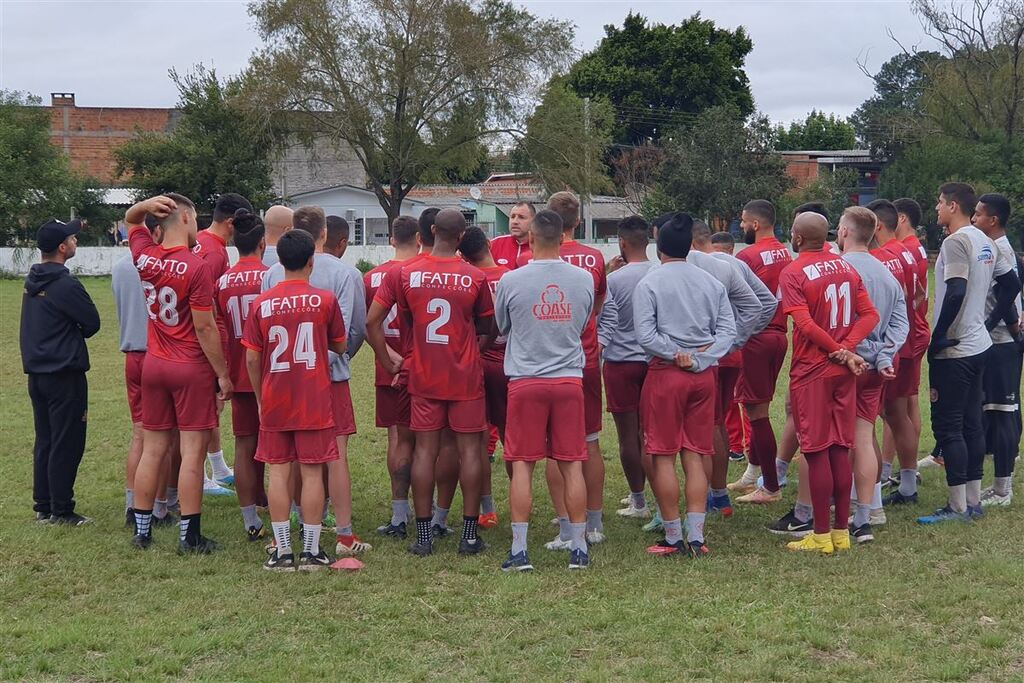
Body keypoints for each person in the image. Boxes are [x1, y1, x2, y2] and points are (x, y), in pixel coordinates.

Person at [368, 208, 496, 556]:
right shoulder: (475, 277)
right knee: (470, 450)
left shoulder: (405, 274)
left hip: (423, 375)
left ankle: (423, 537)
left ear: (431, 231)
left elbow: (372, 322)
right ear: (461, 236)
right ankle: (469, 535)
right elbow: (489, 328)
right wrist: (468, 350)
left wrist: (387, 358)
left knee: (425, 450)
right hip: (465, 377)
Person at [126, 194, 233, 553]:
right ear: (185, 219)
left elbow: (131, 221)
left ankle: (142, 531)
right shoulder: (196, 265)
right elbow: (205, 327)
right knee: (192, 453)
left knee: (153, 449)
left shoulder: (145, 256)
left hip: (154, 363)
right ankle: (190, 535)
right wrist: (222, 373)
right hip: (189, 367)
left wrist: (144, 205)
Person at [263, 206, 369, 555]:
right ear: (323, 234)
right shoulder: (346, 274)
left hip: (281, 378)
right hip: (329, 377)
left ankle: (289, 528)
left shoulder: (271, 274)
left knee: (286, 458)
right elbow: (352, 332)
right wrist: (335, 360)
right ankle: (343, 534)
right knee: (335, 454)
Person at [495, 209, 595, 571]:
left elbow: (502, 326)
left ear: (531, 238)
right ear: (563, 238)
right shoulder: (583, 279)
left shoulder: (511, 279)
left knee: (522, 464)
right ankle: (579, 547)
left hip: (525, 379)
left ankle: (520, 550)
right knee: (571, 464)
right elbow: (583, 322)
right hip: (568, 379)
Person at [244, 230, 349, 571]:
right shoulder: (325, 299)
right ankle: (312, 550)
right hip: (313, 398)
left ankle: (282, 550)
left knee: (278, 472)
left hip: (276, 397)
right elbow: (340, 345)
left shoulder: (262, 303)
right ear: (311, 261)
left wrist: (261, 398)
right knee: (313, 473)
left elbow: (251, 359)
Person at [635, 213, 737, 557]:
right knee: (696, 453)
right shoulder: (711, 282)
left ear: (658, 247)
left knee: (662, 455)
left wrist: (676, 354)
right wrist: (702, 359)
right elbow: (727, 332)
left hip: (666, 374)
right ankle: (697, 536)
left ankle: (673, 535)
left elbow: (645, 335)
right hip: (703, 376)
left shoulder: (650, 282)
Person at [918, 183, 1020, 524]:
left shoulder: (957, 240)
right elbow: (1012, 283)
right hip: (981, 345)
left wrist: (941, 335)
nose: (936, 208)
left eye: (940, 203)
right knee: (974, 424)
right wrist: (987, 320)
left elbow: (956, 289)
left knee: (950, 426)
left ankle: (958, 505)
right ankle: (974, 501)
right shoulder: (986, 241)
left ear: (953, 206)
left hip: (957, 348)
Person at [779, 211, 878, 554]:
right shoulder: (846, 267)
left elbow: (804, 325)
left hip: (813, 371)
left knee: (816, 450)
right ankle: (841, 532)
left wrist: (839, 349)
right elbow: (870, 315)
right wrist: (848, 350)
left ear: (798, 237)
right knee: (839, 448)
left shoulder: (793, 272)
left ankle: (820, 535)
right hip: (842, 372)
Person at [520, 192, 608, 548]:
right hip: (585, 358)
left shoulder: (530, 259)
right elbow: (597, 304)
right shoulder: (595, 258)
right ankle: (595, 522)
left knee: (556, 449)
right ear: (576, 222)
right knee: (590, 441)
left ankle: (566, 526)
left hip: (547, 363)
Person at [20, 217, 100, 526]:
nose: (76, 240)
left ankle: (44, 504)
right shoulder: (65, 284)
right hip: (64, 373)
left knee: (46, 439)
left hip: (37, 373)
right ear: (63, 247)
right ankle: (62, 508)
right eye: (72, 237)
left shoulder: (33, 279)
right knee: (67, 440)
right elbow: (92, 323)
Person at [837, 207, 908, 542]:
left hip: (843, 363)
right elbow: (900, 323)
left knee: (836, 440)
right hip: (875, 365)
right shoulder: (886, 273)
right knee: (864, 437)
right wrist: (884, 354)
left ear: (846, 232)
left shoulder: (839, 269)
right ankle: (867, 511)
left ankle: (838, 509)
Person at [687, 221, 768, 511]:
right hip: (728, 355)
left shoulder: (694, 266)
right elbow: (764, 304)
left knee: (706, 425)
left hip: (707, 354)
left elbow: (762, 305)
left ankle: (709, 495)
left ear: (692, 243)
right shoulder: (730, 263)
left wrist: (729, 340)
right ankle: (718, 494)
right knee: (717, 421)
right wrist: (736, 340)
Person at [113, 226, 176, 529]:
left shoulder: (121, 266)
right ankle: (159, 507)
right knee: (161, 437)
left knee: (140, 433)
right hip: (157, 353)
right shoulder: (163, 263)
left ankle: (132, 503)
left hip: (132, 354)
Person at [729, 200, 792, 499]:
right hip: (779, 334)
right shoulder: (785, 252)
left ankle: (770, 485)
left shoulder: (748, 256)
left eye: (743, 221)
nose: (741, 226)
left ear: (755, 224)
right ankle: (752, 473)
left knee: (756, 411)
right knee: (758, 406)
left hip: (757, 336)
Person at [193, 193, 253, 493]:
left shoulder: (203, 242)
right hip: (207, 340)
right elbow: (208, 305)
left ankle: (217, 468)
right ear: (230, 222)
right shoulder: (215, 254)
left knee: (210, 409)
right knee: (207, 410)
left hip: (202, 337)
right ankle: (202, 477)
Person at [215, 210, 269, 540]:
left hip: (237, 372)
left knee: (244, 443)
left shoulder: (222, 282)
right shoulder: (271, 277)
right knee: (278, 445)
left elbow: (219, 329)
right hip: (269, 373)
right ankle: (284, 510)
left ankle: (251, 517)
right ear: (263, 243)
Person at [364, 216, 420, 538]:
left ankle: (400, 510)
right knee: (429, 442)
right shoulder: (426, 274)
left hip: (389, 368)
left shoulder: (372, 277)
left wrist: (386, 357)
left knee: (396, 439)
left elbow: (366, 324)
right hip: (423, 368)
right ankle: (432, 513)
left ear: (391, 241)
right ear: (419, 238)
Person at [865, 199, 922, 512]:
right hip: (908, 340)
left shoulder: (879, 258)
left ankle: (868, 496)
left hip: (885, 347)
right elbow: (919, 295)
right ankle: (908, 483)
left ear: (875, 226)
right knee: (897, 414)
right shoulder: (907, 253)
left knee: (868, 420)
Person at [598, 216, 656, 520]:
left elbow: (602, 317)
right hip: (653, 361)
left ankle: (639, 500)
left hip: (621, 362)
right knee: (652, 434)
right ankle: (656, 496)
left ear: (621, 243)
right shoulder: (659, 274)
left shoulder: (614, 280)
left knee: (628, 435)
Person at [972, 193, 1024, 506]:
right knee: (996, 410)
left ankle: (1004, 490)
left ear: (993, 220)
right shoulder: (994, 248)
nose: (974, 219)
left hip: (1003, 343)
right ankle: (1000, 479)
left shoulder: (999, 250)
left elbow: (1009, 293)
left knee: (1003, 412)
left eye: (978, 215)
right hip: (998, 341)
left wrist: (997, 324)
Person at [458, 226, 510, 529]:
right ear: (489, 245)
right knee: (513, 438)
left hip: (477, 363)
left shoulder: (468, 280)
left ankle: (486, 508)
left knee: (477, 441)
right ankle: (520, 502)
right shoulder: (511, 277)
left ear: (463, 256)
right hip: (509, 364)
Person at [892, 197, 933, 471]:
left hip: (910, 332)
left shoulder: (904, 249)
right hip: (917, 328)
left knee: (896, 408)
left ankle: (889, 466)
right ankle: (906, 468)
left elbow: (911, 295)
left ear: (902, 218)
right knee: (908, 401)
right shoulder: (914, 248)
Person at [491, 202, 534, 269]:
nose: (515, 221)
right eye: (512, 217)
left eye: (521, 217)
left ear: (533, 221)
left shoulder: (542, 248)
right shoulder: (494, 245)